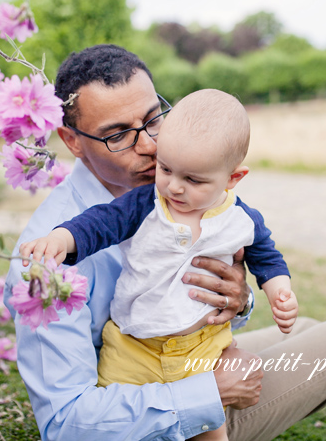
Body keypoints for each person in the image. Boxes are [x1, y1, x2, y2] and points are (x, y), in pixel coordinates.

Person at [3, 44, 326, 441]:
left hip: (186, 360)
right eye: (119, 134)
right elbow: (67, 422)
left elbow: (203, 296)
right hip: (154, 410)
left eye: (154, 119)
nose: (149, 146)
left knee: (304, 329)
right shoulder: (50, 254)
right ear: (71, 140)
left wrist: (240, 300)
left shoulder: (180, 192)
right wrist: (208, 395)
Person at [18, 89, 295, 441]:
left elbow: (265, 256)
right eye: (166, 169)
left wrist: (279, 291)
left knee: (211, 431)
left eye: (192, 180)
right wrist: (60, 239)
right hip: (134, 347)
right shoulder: (146, 204)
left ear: (233, 179)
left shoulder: (240, 218)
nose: (174, 187)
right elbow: (99, 224)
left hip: (202, 348)